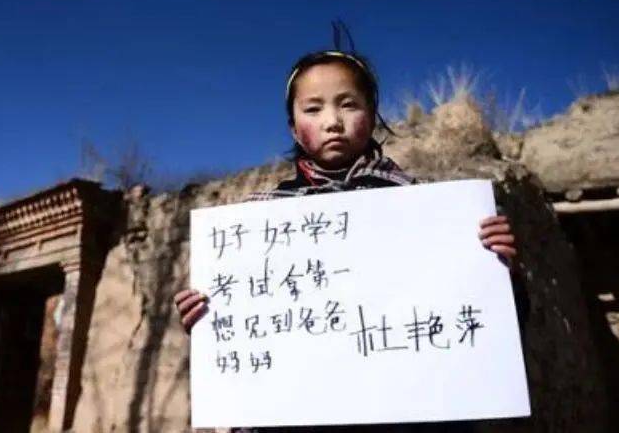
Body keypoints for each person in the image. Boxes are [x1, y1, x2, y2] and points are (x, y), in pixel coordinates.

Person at [175, 47, 518, 432]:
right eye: (313, 109)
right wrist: (206, 320)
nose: (332, 121)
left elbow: (485, 326)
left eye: (348, 104)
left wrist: (498, 270)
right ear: (293, 128)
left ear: (371, 116)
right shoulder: (259, 220)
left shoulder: (429, 208)